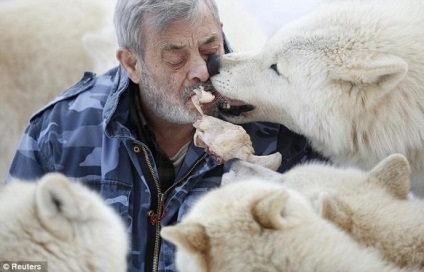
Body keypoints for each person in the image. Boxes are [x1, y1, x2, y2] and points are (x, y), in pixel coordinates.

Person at [6, 0, 322, 271]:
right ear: (131, 63)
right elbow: (12, 262)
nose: (201, 70)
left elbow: (330, 253)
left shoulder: (282, 124)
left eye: (210, 47)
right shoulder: (60, 133)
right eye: (176, 56)